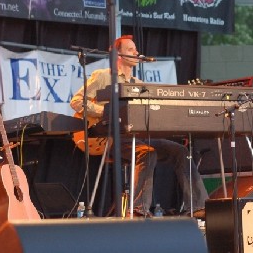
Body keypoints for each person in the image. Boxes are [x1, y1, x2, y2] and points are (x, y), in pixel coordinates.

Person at [70, 35, 208, 217]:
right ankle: (137, 210)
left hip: (136, 136)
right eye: (130, 50)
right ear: (118, 55)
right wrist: (106, 112)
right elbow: (77, 101)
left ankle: (198, 207)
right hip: (108, 137)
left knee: (180, 151)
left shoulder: (139, 85)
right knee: (147, 153)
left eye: (136, 50)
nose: (136, 53)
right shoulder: (103, 76)